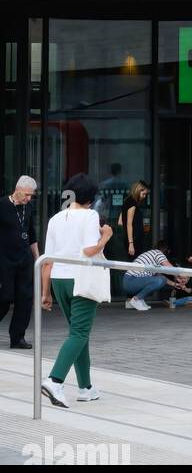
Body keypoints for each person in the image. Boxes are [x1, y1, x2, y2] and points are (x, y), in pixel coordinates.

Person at [40, 174, 112, 408]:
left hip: (59, 279)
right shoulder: (90, 216)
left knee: (78, 333)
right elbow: (89, 251)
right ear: (91, 199)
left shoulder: (55, 218)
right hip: (80, 278)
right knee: (79, 333)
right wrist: (106, 237)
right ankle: (54, 380)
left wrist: (45, 292)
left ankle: (86, 387)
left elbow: (46, 260)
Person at [0, 175, 38, 349]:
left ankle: (17, 337)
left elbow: (31, 234)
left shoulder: (28, 208)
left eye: (32, 195)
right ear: (17, 190)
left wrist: (38, 258)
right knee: (5, 298)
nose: (29, 198)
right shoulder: (2, 205)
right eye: (27, 195)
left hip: (24, 260)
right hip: (5, 260)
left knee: (25, 299)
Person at [123, 240, 192, 310]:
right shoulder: (158, 253)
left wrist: (174, 284)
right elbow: (168, 267)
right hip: (132, 280)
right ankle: (136, 299)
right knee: (161, 280)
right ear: (167, 251)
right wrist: (182, 275)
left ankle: (139, 299)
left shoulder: (152, 257)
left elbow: (159, 276)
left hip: (130, 281)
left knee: (160, 279)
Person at [116, 181, 149, 263]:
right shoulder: (133, 204)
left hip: (129, 239)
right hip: (134, 240)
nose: (144, 196)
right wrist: (131, 243)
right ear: (138, 191)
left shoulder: (127, 201)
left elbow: (120, 222)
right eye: (143, 194)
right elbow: (129, 223)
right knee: (135, 263)